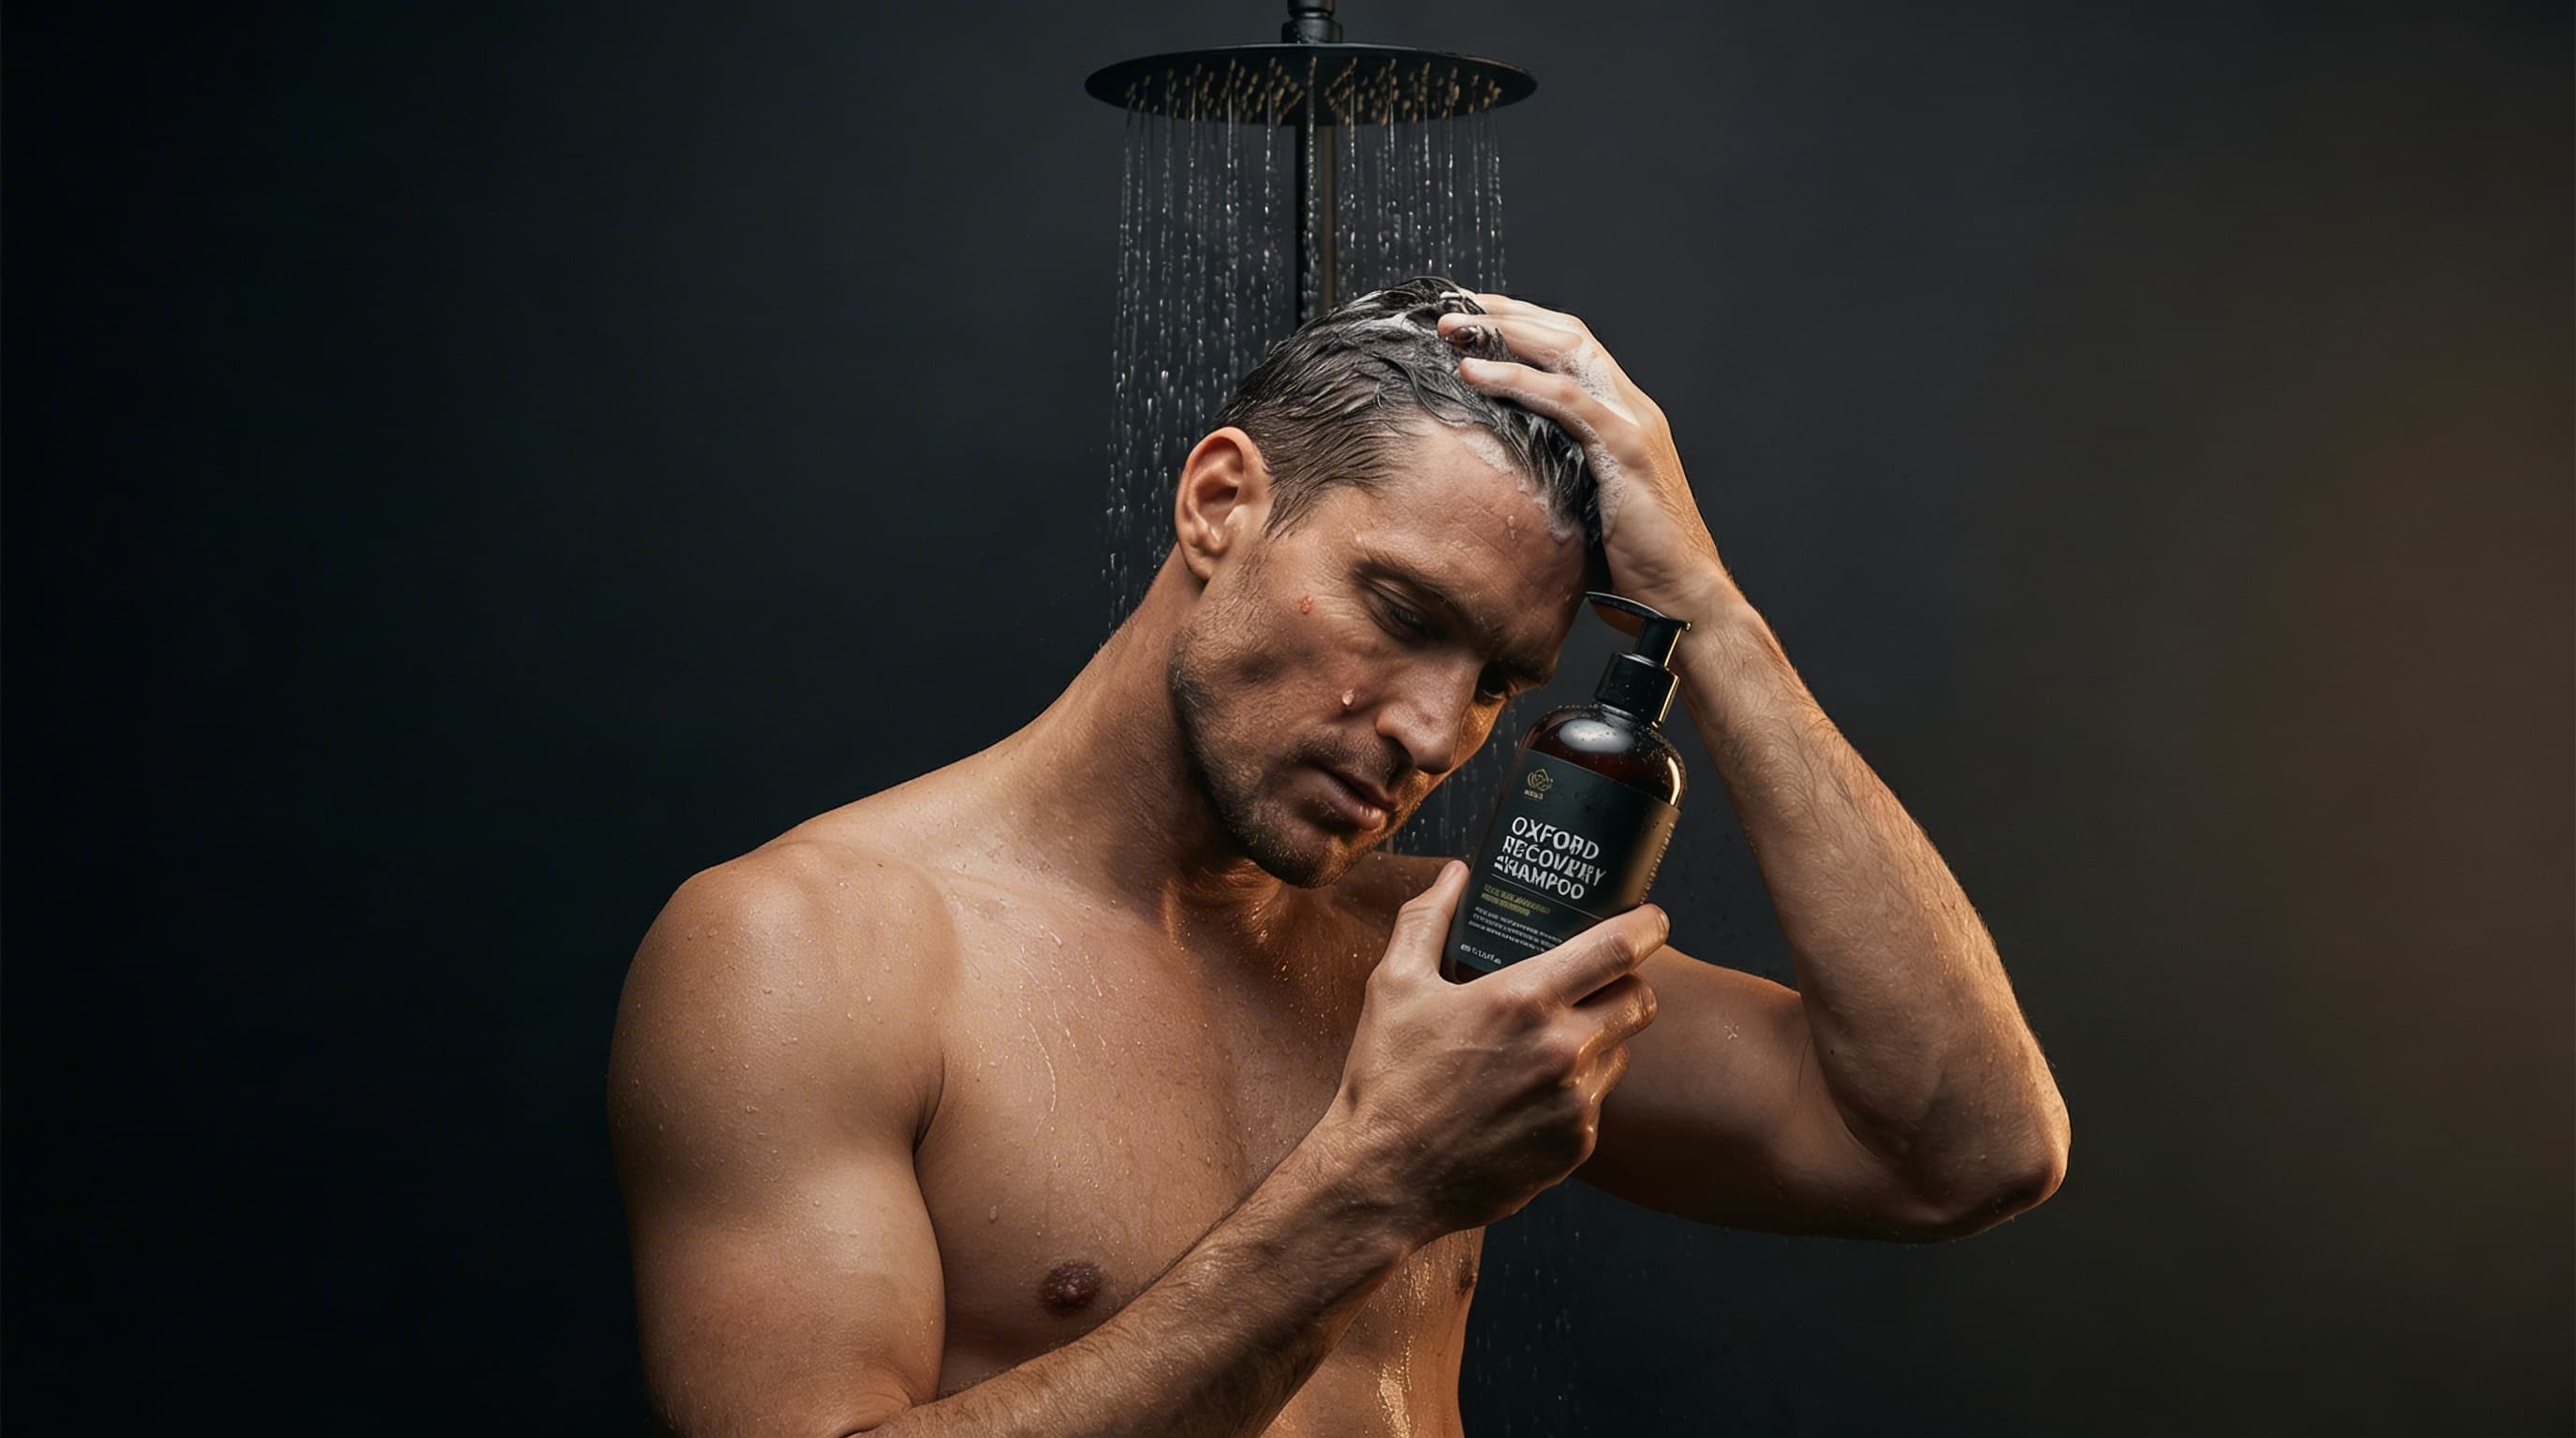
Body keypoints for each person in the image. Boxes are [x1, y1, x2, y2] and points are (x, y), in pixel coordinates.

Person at [607, 275, 2071, 1437]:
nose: (1439, 731)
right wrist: (1377, 1186)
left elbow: (1965, 1153)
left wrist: (1717, 618)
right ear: (1223, 502)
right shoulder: (809, 948)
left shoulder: (1434, 961)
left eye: (1501, 678)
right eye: (1403, 611)